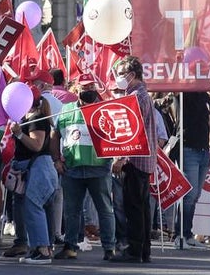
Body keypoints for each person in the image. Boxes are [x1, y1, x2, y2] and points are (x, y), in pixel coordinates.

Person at [109, 56, 166, 264]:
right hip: (143, 159)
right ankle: (143, 251)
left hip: (134, 160)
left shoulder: (136, 97)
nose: (119, 78)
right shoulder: (142, 95)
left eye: (122, 74)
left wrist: (121, 158)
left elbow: (131, 130)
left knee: (134, 207)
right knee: (141, 207)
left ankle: (134, 250)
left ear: (132, 75)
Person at [52, 76, 115, 261]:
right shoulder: (66, 110)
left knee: (104, 210)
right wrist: (56, 159)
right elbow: (54, 135)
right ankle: (70, 246)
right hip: (72, 169)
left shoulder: (104, 108)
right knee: (72, 211)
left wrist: (114, 159)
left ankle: (109, 248)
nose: (89, 90)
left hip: (99, 168)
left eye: (92, 87)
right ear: (77, 90)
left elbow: (116, 136)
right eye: (85, 87)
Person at [9, 90, 59, 264]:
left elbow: (37, 145)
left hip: (39, 168)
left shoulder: (36, 118)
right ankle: (40, 247)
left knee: (34, 205)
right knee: (39, 207)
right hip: (39, 168)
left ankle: (42, 249)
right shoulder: (32, 117)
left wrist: (19, 134)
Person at [175, 90, 210, 249]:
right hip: (188, 148)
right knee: (189, 194)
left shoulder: (206, 96)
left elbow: (209, 123)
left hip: (203, 150)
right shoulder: (184, 94)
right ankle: (179, 236)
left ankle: (187, 234)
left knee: (195, 195)